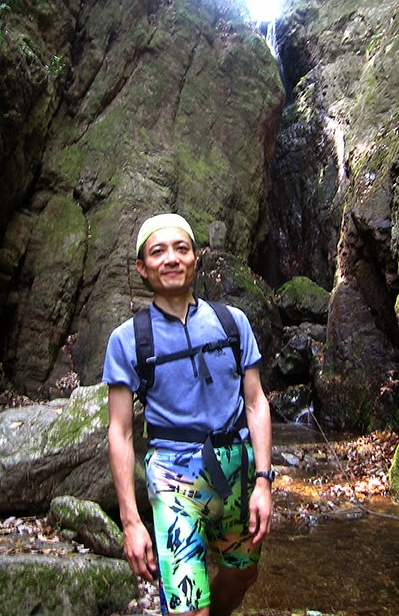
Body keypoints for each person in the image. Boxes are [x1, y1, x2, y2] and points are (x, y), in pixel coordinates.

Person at [102, 213, 273, 616]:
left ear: (196, 258)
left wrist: (264, 481)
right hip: (174, 478)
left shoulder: (232, 322)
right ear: (142, 267)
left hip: (236, 469)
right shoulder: (128, 340)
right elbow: (120, 432)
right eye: (158, 252)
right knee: (188, 608)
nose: (171, 258)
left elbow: (256, 403)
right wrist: (131, 521)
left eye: (181, 248)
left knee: (242, 574)